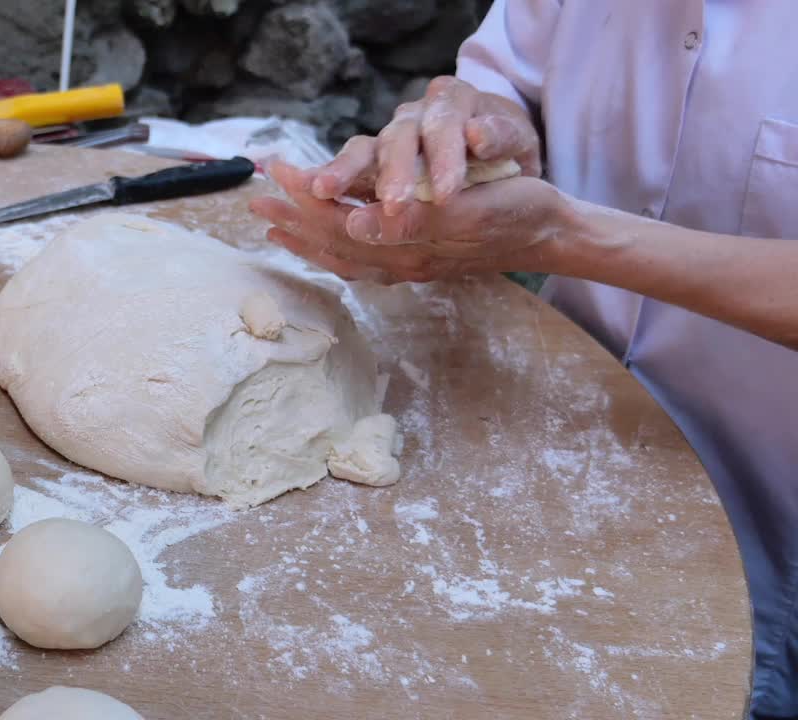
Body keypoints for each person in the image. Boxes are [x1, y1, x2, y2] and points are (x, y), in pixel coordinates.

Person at [248, 2, 798, 717]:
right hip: (579, 465)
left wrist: (563, 240)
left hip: (774, 520)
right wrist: (463, 135)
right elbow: (509, 85)